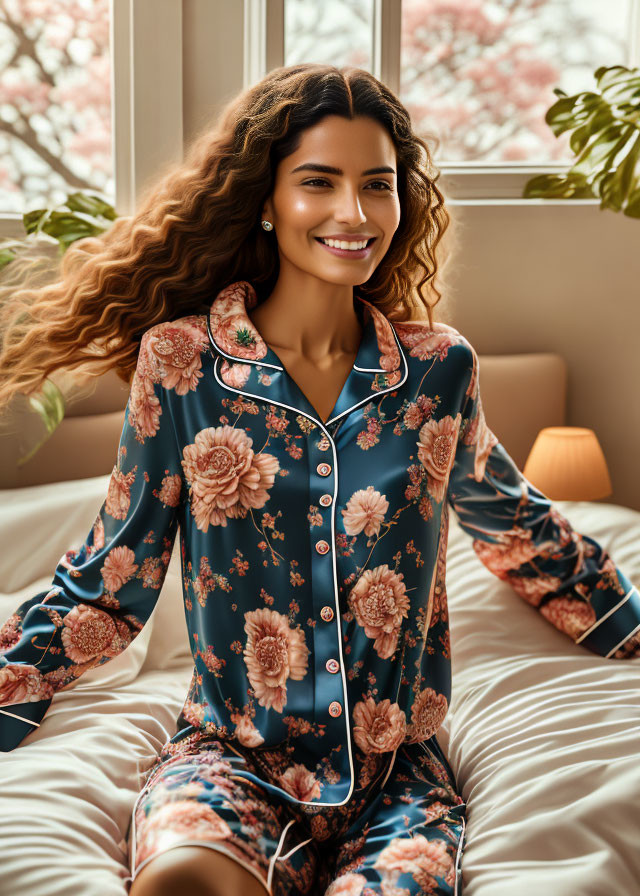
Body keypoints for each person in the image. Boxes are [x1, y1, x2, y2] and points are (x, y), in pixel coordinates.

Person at [0, 63, 638, 896]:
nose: (353, 213)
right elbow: (111, 580)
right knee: (181, 884)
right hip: (228, 759)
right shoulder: (181, 366)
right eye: (318, 182)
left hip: (396, 782)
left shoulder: (439, 370)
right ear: (266, 198)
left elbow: (522, 531)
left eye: (377, 185)